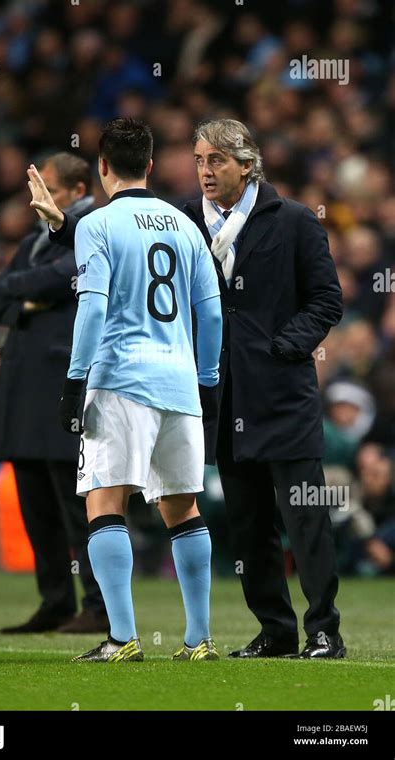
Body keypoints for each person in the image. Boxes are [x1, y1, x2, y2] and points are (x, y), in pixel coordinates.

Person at [59, 118, 223, 663]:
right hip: (179, 383)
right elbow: (211, 311)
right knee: (183, 507)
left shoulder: (97, 225)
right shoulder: (186, 225)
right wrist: (208, 380)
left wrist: (75, 378)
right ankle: (198, 639)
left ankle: (122, 637)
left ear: (102, 167)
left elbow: (94, 306)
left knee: (106, 501)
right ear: (151, 166)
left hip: (120, 380)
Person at [183, 119, 346, 659]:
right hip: (225, 398)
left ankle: (324, 631)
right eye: (200, 160)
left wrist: (282, 348)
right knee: (249, 525)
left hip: (282, 396)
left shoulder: (294, 220)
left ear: (247, 165)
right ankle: (274, 630)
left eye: (217, 161)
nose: (205, 171)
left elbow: (327, 299)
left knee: (306, 519)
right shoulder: (187, 223)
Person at [0, 153, 108, 634]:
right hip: (22, 385)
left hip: (62, 385)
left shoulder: (91, 229)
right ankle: (55, 600)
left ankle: (98, 605)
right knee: (37, 505)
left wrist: (23, 293)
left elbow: (64, 276)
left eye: (50, 190)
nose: (41, 200)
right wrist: (31, 298)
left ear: (78, 192)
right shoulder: (34, 241)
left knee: (77, 505)